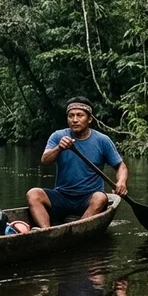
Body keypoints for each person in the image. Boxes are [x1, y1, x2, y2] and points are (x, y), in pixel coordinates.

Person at [27, 97, 127, 228]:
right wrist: (59, 148)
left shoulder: (103, 140)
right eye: (71, 116)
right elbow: (45, 160)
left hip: (88, 199)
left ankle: (77, 230)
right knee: (33, 194)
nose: (74, 120)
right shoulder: (58, 136)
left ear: (89, 119)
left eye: (80, 115)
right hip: (62, 196)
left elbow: (121, 166)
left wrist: (121, 182)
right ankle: (47, 232)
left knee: (101, 198)